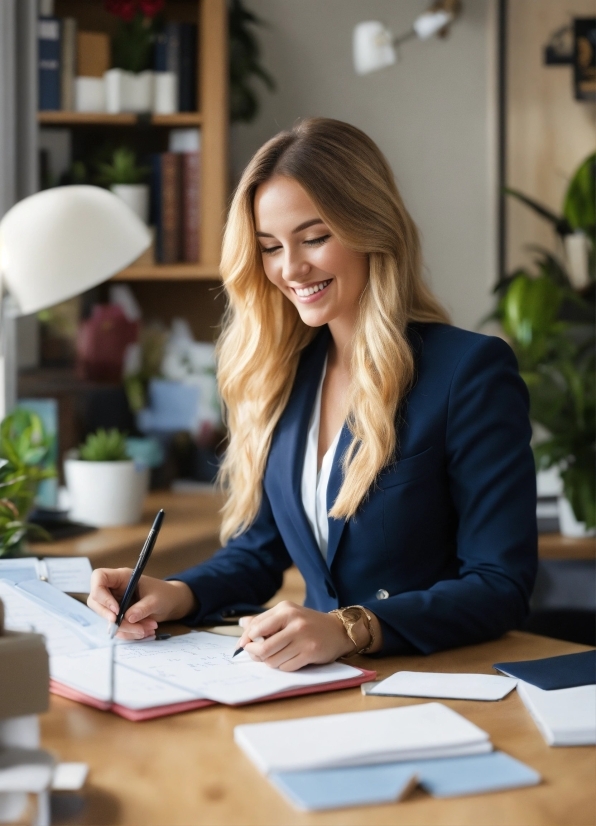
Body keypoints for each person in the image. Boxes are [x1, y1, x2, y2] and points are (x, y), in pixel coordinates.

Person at [88, 118, 537, 670]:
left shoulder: (467, 371)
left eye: (315, 237)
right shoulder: (288, 371)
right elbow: (260, 551)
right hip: (318, 684)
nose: (290, 268)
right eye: (270, 247)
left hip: (438, 681)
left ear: (372, 227)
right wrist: (174, 592)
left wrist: (351, 628)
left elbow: (500, 585)